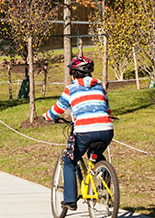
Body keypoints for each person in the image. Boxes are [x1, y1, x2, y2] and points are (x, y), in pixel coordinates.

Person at [43, 55, 114, 211]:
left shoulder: (71, 88)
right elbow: (106, 107)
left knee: (69, 161)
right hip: (107, 130)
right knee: (95, 152)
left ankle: (69, 200)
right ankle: (105, 180)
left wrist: (47, 117)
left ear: (74, 73)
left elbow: (57, 109)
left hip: (84, 131)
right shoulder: (99, 86)